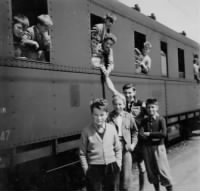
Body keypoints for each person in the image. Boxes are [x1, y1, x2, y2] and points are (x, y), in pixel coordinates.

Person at [103, 74, 146, 191]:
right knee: (125, 168)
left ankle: (141, 189)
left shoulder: (141, 104)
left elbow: (151, 116)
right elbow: (111, 88)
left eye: (130, 93)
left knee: (142, 167)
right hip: (125, 140)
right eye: (125, 93)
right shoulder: (121, 102)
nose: (128, 95)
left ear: (134, 92)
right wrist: (106, 75)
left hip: (137, 139)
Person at [79, 98, 121, 191]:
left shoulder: (112, 128)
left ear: (106, 115)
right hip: (94, 168)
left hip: (111, 167)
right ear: (92, 115)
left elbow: (118, 148)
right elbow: (82, 153)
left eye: (102, 115)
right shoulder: (86, 131)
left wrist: (118, 163)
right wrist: (86, 170)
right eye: (96, 115)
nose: (99, 118)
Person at [139, 98, 173, 191]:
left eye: (153, 107)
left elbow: (163, 134)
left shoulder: (160, 119)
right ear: (146, 109)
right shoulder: (144, 121)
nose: (150, 110)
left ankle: (169, 188)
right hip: (147, 148)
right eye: (148, 107)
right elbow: (141, 134)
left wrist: (149, 134)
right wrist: (150, 136)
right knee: (151, 171)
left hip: (159, 148)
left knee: (163, 170)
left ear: (157, 108)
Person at [107, 94, 138, 191]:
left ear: (124, 105)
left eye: (120, 104)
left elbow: (134, 132)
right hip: (113, 148)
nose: (118, 106)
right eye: (115, 104)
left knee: (126, 174)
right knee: (115, 173)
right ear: (113, 105)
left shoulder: (128, 116)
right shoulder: (109, 117)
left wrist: (133, 145)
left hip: (126, 147)